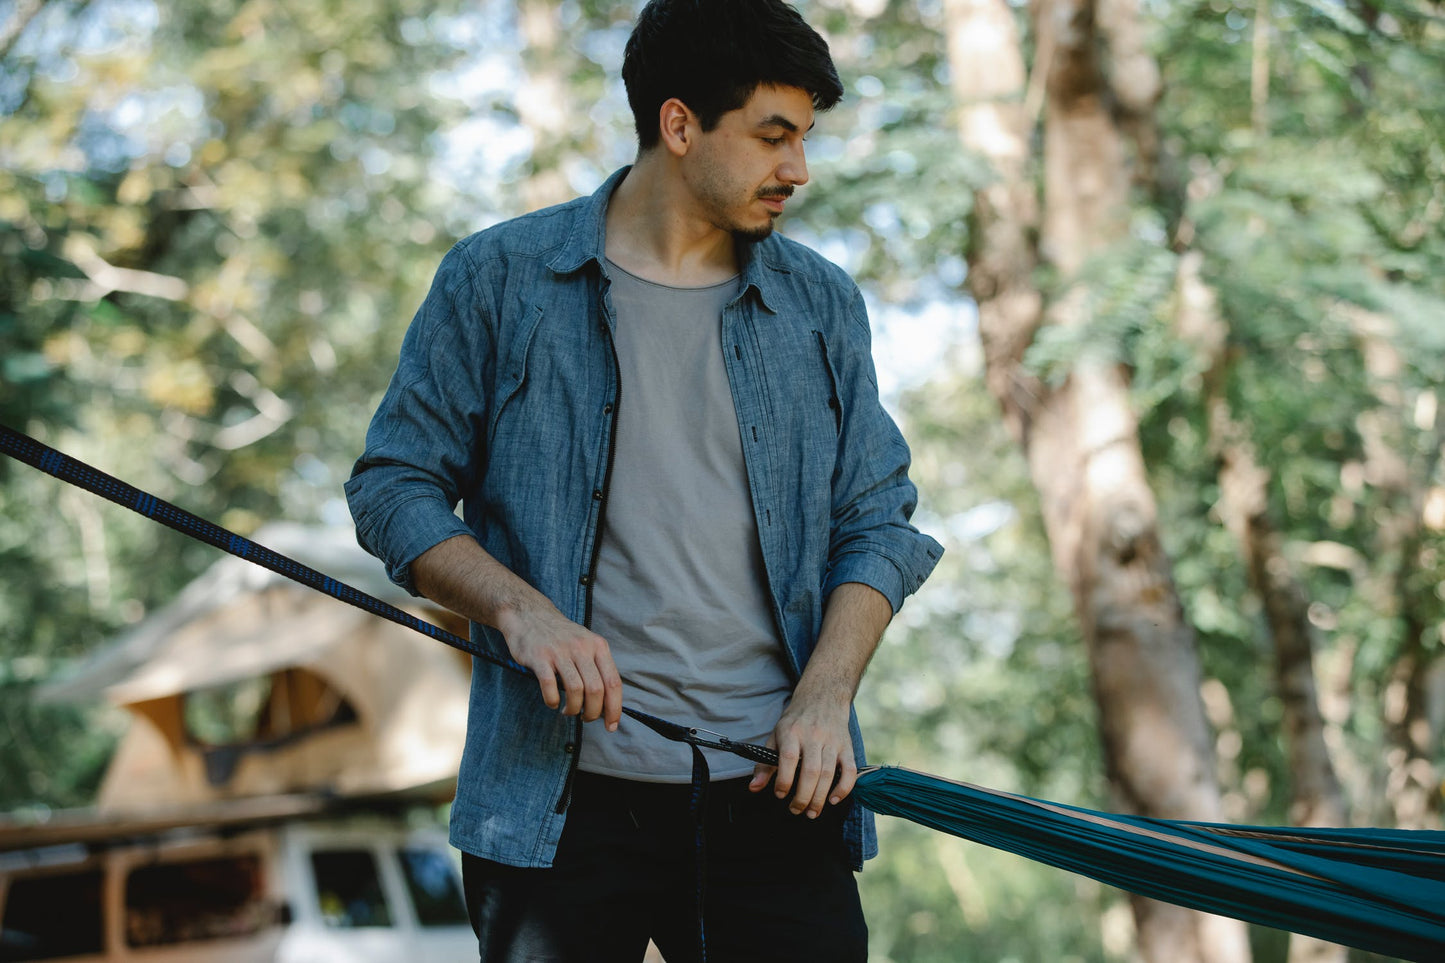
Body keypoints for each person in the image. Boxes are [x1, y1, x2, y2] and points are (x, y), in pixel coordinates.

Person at [345, 1, 942, 959]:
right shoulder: (498, 278)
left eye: (805, 139)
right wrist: (520, 611)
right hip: (557, 806)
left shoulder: (819, 302)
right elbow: (392, 486)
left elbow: (878, 521)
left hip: (775, 790)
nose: (798, 169)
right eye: (771, 137)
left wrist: (827, 694)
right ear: (677, 124)